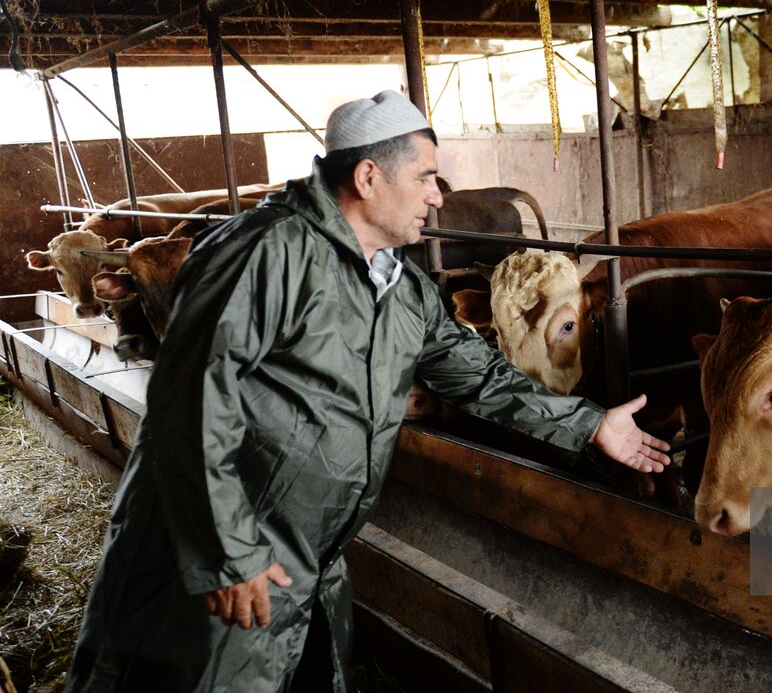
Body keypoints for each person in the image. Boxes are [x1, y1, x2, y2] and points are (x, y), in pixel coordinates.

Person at [64, 90, 670, 693]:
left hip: (305, 566)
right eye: (428, 176)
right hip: (217, 564)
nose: (439, 194)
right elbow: (191, 404)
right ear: (368, 175)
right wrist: (228, 553)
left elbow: (480, 376)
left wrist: (588, 425)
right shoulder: (264, 252)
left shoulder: (399, 285)